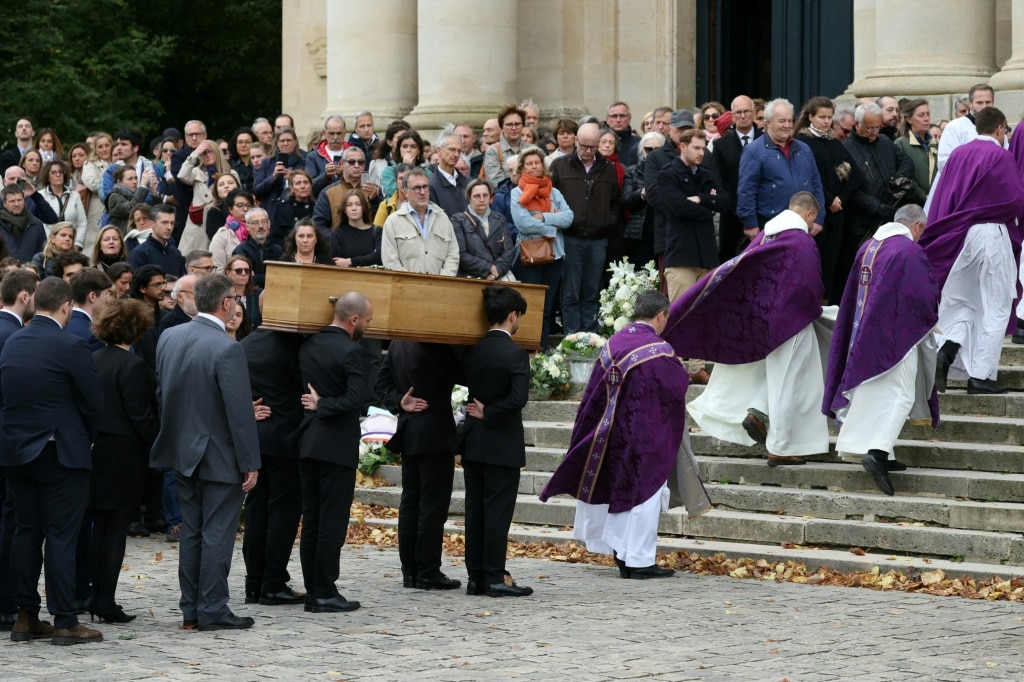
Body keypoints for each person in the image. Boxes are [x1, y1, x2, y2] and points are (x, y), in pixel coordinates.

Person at [540, 290, 710, 577]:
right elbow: (677, 385)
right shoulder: (661, 350)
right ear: (660, 316)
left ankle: (622, 555)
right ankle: (640, 561)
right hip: (646, 435)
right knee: (645, 496)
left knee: (620, 491)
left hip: (609, 435)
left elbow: (594, 391)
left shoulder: (612, 344)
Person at [664, 192, 830, 466]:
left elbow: (744, 272)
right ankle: (782, 446)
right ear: (810, 214)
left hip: (763, 323)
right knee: (793, 380)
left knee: (772, 375)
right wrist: (815, 307)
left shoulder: (766, 235)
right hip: (793, 321)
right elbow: (810, 284)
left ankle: (758, 412)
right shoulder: (802, 241)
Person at [150, 273, 261, 632]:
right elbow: (239, 413)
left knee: (194, 532)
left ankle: (192, 608)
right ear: (226, 303)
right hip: (217, 454)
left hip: (182, 450)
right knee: (216, 533)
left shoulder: (169, 336)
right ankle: (212, 607)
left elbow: (162, 394)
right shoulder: (227, 347)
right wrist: (250, 462)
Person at [1, 277, 104, 644]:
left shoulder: (13, 342)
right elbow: (94, 404)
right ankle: (65, 620)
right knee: (62, 535)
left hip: (16, 451)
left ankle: (25, 615)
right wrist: (86, 441)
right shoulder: (71, 345)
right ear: (65, 306)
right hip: (59, 452)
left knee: (27, 533)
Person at [824, 204, 940, 496]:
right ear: (917, 227)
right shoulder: (909, 250)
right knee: (901, 395)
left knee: (875, 395)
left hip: (864, 338)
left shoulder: (868, 247)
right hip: (896, 338)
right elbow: (923, 294)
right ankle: (876, 453)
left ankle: (882, 452)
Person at [923, 107, 1024, 395]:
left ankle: (944, 352)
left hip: (960, 235)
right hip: (991, 233)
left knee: (960, 301)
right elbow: (1016, 200)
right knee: (997, 304)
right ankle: (980, 376)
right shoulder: (1001, 155)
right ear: (1000, 129)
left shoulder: (958, 154)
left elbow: (942, 195)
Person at [295, 292, 372, 613]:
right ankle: (324, 591)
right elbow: (357, 400)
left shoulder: (309, 344)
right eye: (368, 320)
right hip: (335, 446)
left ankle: (314, 588)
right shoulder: (353, 352)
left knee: (312, 519)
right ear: (353, 320)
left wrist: (319, 404)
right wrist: (325, 404)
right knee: (332, 521)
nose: (369, 325)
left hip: (309, 441)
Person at [87, 298, 159, 623]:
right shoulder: (133, 366)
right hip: (123, 455)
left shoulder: (93, 358)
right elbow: (141, 416)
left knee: (98, 527)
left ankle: (94, 595)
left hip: (95, 451)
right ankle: (105, 601)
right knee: (115, 529)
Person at [458, 285, 532, 597]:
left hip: (474, 442)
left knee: (475, 511)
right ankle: (494, 577)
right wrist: (491, 412)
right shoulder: (515, 353)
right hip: (501, 443)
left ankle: (475, 577)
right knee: (497, 514)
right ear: (513, 316)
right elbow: (518, 399)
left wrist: (484, 412)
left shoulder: (474, 349)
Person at [376, 341, 464, 590]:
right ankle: (427, 570)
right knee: (431, 505)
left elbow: (381, 384)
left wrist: (399, 401)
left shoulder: (397, 344)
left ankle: (410, 570)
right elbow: (463, 373)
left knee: (411, 503)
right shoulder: (437, 344)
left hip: (410, 431)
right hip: (434, 433)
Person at [240, 327, 306, 607]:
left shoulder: (246, 343)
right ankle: (274, 582)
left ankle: (254, 582)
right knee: (283, 511)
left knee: (256, 509)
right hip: (286, 438)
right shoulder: (294, 346)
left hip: (257, 434)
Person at [658, 128, 730, 384]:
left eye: (704, 148)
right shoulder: (668, 174)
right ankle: (676, 365)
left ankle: (697, 367)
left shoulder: (707, 174)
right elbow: (676, 206)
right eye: (697, 148)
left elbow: (724, 202)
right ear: (683, 147)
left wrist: (700, 199)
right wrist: (705, 206)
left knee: (703, 312)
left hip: (707, 254)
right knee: (678, 313)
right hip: (682, 253)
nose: (702, 153)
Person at [550, 121, 620, 334]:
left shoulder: (608, 168)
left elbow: (615, 201)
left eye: (593, 147)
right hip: (570, 236)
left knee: (592, 290)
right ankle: (571, 336)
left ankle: (590, 336)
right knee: (571, 291)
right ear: (576, 142)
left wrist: (608, 219)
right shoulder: (560, 166)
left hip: (598, 238)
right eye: (584, 146)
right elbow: (550, 198)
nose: (588, 151)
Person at [795, 97, 865, 303]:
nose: (826, 122)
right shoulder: (802, 142)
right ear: (810, 117)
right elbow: (807, 176)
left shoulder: (833, 141)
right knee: (815, 264)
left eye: (829, 117)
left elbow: (855, 175)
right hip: (815, 214)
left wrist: (841, 198)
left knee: (833, 265)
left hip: (838, 214)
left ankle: (828, 307)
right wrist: (828, 200)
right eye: (821, 117)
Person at [0, 269, 37, 633]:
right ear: (25, 297)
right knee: (10, 523)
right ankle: (6, 601)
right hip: (11, 442)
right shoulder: (14, 337)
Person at [511, 149, 574, 350]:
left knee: (547, 307)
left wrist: (544, 217)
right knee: (529, 306)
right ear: (522, 167)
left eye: (537, 162)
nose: (534, 166)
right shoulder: (517, 193)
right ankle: (526, 349)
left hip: (554, 255)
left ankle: (542, 348)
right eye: (529, 163)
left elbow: (569, 217)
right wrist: (553, 226)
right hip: (529, 256)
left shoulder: (554, 192)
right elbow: (523, 224)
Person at [736, 99, 825, 237]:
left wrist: (819, 218)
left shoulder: (804, 149)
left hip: (804, 225)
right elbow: (746, 190)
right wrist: (750, 223)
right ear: (768, 122)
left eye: (790, 121)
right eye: (782, 121)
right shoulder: (753, 151)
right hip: (771, 225)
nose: (787, 125)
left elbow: (816, 184)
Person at [382, 168, 460, 275]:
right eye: (417, 188)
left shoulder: (443, 218)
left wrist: (442, 281)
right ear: (405, 192)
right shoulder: (393, 222)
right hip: (406, 288)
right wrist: (412, 284)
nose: (423, 192)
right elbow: (390, 261)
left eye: (425, 187)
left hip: (439, 287)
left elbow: (453, 254)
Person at [452, 179, 515, 280]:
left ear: (490, 197)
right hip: (471, 276)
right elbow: (461, 254)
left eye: (485, 195)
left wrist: (496, 271)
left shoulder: (500, 219)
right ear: (469, 198)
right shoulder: (458, 220)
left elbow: (509, 250)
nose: (482, 199)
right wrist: (488, 268)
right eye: (477, 196)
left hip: (499, 274)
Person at [894, 99, 937, 206]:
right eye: (921, 115)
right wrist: (923, 197)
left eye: (928, 114)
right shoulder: (902, 143)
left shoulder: (935, 145)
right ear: (909, 119)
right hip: (912, 204)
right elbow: (903, 178)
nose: (926, 118)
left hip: (935, 202)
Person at [483, 104, 538, 188]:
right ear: (501, 127)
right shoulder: (493, 151)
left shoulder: (534, 150)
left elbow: (540, 178)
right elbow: (497, 184)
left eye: (517, 124)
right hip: (506, 198)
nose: (513, 128)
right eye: (509, 125)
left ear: (523, 126)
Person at [38, 160, 87, 250]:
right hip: (49, 245)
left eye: (61, 172)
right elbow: (42, 224)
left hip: (72, 245)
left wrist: (77, 243)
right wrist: (53, 242)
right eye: (53, 172)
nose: (58, 175)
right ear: (47, 176)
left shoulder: (74, 195)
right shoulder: (41, 196)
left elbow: (82, 222)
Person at [329, 190, 383, 267]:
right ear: (344, 209)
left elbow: (379, 257)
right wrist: (371, 257)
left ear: (363, 207)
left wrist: (350, 261)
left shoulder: (377, 231)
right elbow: (337, 263)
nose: (354, 208)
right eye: (349, 205)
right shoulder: (337, 234)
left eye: (358, 204)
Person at [128, 203, 185, 276]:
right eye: (164, 223)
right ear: (152, 224)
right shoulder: (139, 253)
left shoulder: (176, 253)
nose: (169, 227)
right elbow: (135, 284)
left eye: (172, 223)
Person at [232, 207, 282, 288]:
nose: (261, 226)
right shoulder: (241, 252)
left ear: (269, 224)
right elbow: (244, 279)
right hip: (251, 296)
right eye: (255, 223)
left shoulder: (277, 250)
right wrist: (273, 276)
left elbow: (283, 276)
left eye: (264, 222)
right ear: (247, 227)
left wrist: (257, 277)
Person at [66, 268, 111, 352]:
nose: (108, 300)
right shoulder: (93, 336)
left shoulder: (59, 325)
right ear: (92, 296)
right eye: (106, 294)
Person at [208, 189, 254, 270]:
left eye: (249, 205)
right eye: (240, 205)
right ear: (230, 209)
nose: (246, 209)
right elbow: (218, 268)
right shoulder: (222, 235)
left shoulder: (258, 230)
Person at [270, 170, 316, 248]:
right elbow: (276, 238)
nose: (302, 186)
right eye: (298, 183)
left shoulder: (317, 207)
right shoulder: (281, 208)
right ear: (291, 188)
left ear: (311, 186)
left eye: (306, 182)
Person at [428, 132, 470, 217]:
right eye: (452, 149)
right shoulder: (430, 186)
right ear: (439, 150)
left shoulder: (468, 182)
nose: (456, 155)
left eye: (459, 151)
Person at [306, 115, 349, 196]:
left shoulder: (355, 154)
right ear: (324, 133)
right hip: (323, 204)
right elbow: (308, 186)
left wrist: (344, 174)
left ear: (345, 133)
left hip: (350, 203)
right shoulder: (313, 156)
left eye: (339, 133)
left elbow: (364, 180)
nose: (335, 137)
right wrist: (325, 176)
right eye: (331, 133)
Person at [225, 254, 262, 329]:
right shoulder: (222, 294)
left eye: (247, 270)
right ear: (228, 273)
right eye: (238, 271)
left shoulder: (258, 294)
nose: (243, 273)